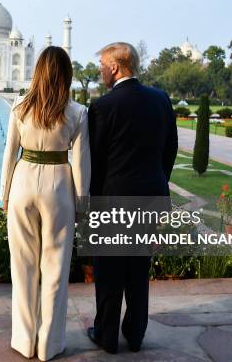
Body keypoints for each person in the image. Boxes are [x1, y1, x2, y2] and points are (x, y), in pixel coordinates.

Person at [0, 46, 91, 361]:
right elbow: (80, 164)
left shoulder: (19, 107)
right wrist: (82, 204)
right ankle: (48, 345)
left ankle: (24, 341)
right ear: (66, 74)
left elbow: (10, 154)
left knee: (23, 268)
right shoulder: (77, 111)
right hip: (58, 189)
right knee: (54, 270)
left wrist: (5, 195)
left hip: (23, 185)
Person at [86, 42, 178, 353]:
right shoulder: (160, 100)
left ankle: (107, 336)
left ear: (114, 67)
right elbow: (169, 152)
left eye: (102, 65)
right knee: (138, 271)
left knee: (109, 273)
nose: (100, 71)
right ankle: (135, 335)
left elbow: (95, 163)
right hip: (150, 197)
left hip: (112, 200)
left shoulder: (103, 106)